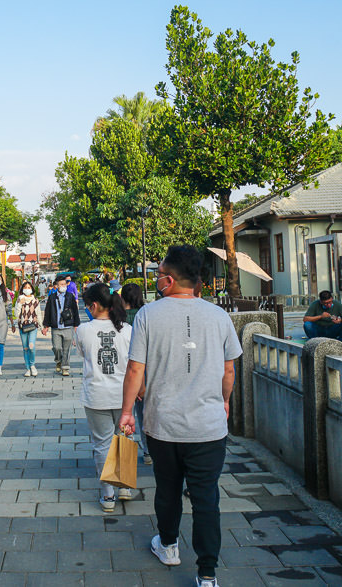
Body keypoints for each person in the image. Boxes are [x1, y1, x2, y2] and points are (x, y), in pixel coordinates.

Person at [119, 245, 241, 587]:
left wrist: (127, 411)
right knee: (206, 499)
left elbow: (134, 370)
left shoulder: (147, 315)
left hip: (163, 424)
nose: (157, 279)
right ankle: (207, 574)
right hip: (208, 426)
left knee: (168, 490)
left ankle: (169, 545)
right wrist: (225, 401)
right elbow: (229, 370)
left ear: (169, 280)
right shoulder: (218, 316)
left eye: (159, 274)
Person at [75, 282, 134, 511]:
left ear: (95, 305)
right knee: (125, 439)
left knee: (102, 444)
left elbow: (83, 354)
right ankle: (125, 487)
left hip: (96, 394)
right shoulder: (127, 330)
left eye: (88, 306)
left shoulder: (83, 330)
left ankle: (108, 494)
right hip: (123, 394)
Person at [121, 282, 151, 465]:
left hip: (124, 372)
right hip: (144, 371)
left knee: (125, 414)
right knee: (144, 414)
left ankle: (125, 455)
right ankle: (148, 451)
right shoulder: (146, 315)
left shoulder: (119, 318)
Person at [42, 274, 81, 376]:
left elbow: (75, 311)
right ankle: (58, 360)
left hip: (68, 326)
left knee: (67, 349)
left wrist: (76, 325)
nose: (63, 286)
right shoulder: (52, 297)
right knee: (57, 348)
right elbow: (48, 312)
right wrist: (46, 326)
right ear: (57, 286)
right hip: (56, 327)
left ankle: (65, 367)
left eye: (64, 284)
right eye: (61, 284)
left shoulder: (70, 296)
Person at [14, 280, 41, 377]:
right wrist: (19, 304)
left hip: (33, 326)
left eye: (29, 288)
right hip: (23, 327)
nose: (27, 289)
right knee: (25, 348)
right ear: (22, 289)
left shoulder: (35, 300)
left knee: (31, 346)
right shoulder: (19, 299)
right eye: (25, 288)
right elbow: (16, 314)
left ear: (32, 289)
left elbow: (38, 314)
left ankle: (32, 365)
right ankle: (28, 368)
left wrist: (42, 327)